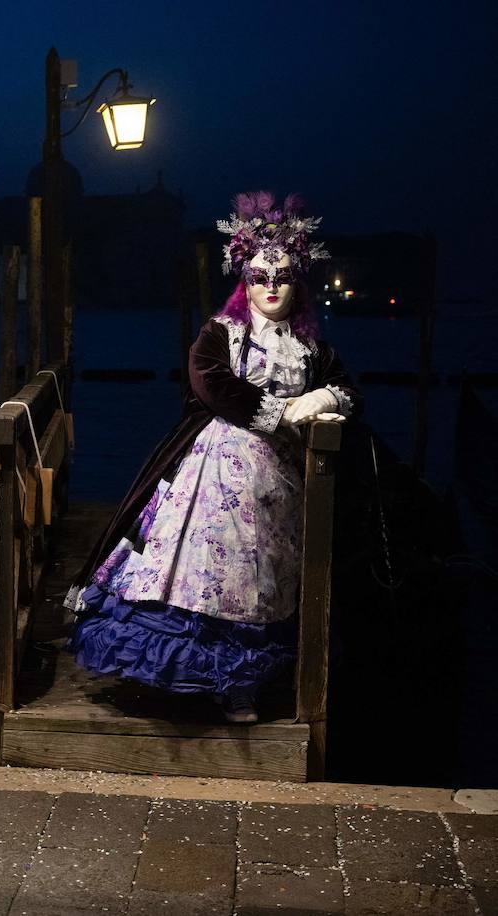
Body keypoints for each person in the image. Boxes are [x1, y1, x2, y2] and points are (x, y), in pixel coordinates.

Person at [65, 191, 359, 724]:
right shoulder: (221, 334)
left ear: (297, 282)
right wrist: (282, 413)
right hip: (213, 473)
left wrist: (324, 397)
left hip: (279, 485)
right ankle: (185, 681)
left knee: (260, 581)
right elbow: (211, 384)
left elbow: (344, 386)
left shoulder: (312, 349)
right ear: (244, 281)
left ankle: (240, 686)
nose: (271, 286)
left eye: (282, 276)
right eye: (260, 276)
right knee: (197, 573)